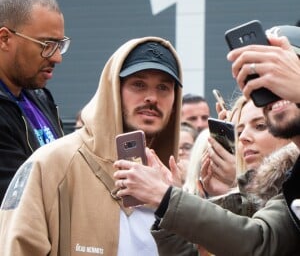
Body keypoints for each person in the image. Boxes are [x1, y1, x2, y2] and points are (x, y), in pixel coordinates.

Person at [113, 34, 300, 255]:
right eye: (238, 130)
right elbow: (258, 240)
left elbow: (256, 242)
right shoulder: (290, 188)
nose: (244, 138)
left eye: (259, 126)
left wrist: (167, 198)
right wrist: (168, 203)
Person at [0, 36, 183, 256]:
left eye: (163, 87)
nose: (151, 97)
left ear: (175, 101)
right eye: (138, 84)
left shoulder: (175, 183)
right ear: (113, 91)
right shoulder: (53, 164)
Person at [0, 0, 70, 203]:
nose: (57, 57)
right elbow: (20, 200)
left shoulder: (39, 97)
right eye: (47, 45)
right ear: (4, 39)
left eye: (59, 45)